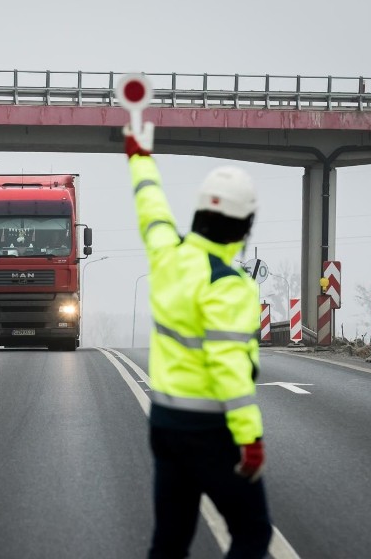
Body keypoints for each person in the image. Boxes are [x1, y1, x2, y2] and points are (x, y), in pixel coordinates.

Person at [124, 122, 273, 559]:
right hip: (210, 432)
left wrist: (138, 155)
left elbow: (150, 207)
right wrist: (250, 439)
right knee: (252, 534)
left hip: (165, 423)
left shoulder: (168, 254)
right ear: (243, 225)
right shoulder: (229, 285)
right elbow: (228, 368)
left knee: (170, 539)